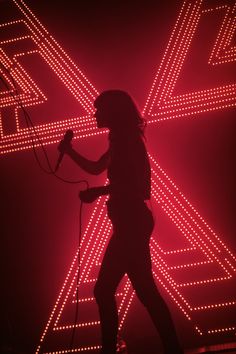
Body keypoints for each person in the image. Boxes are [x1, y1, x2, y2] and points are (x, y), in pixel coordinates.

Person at [58, 90, 183, 354]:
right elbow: (96, 168)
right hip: (132, 222)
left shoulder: (128, 141)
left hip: (131, 223)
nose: (95, 114)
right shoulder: (121, 140)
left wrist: (98, 192)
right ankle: (172, 348)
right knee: (145, 291)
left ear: (113, 112)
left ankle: (111, 350)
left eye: (99, 109)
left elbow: (133, 186)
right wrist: (69, 151)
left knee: (104, 290)